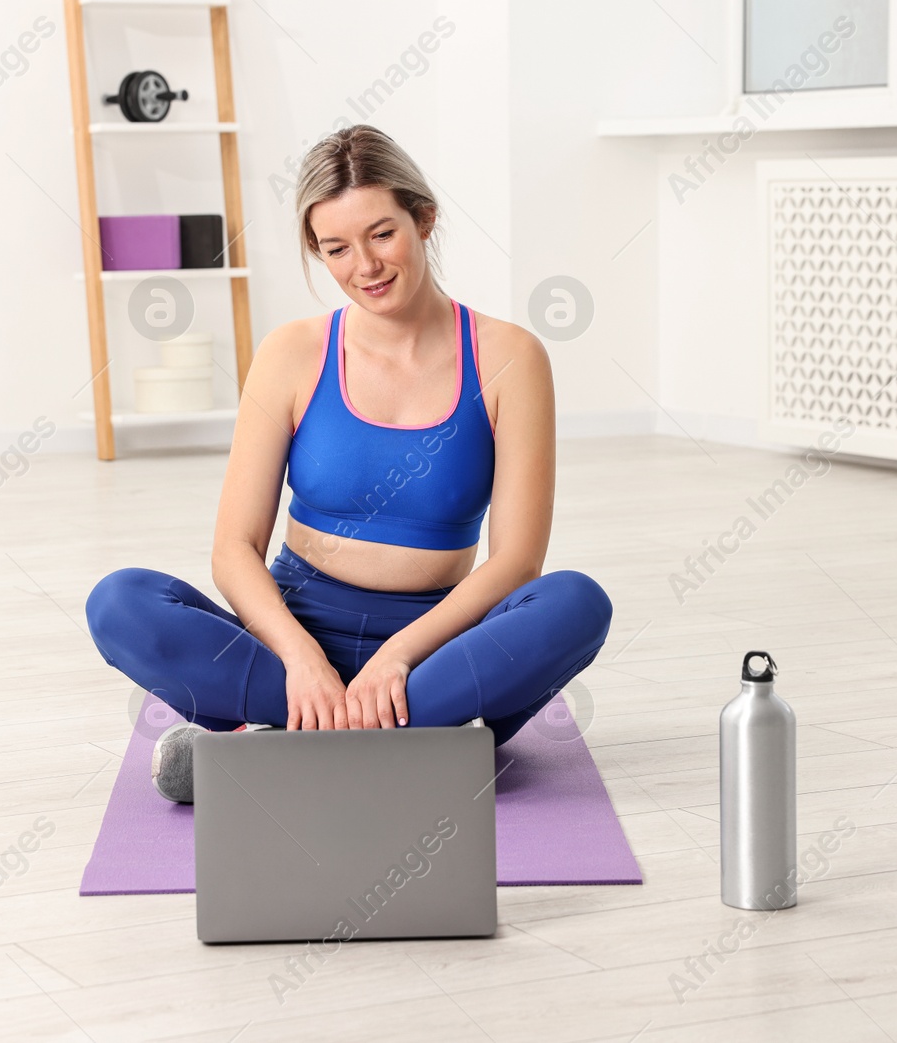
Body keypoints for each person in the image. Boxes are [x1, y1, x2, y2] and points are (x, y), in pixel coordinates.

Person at [85, 124, 612, 802]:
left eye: (382, 234)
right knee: (121, 602)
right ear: (318, 252)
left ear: (424, 218)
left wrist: (398, 656)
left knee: (576, 603)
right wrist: (302, 659)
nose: (365, 265)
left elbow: (515, 563)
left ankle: (283, 743)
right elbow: (233, 548)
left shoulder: (511, 357)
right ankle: (416, 741)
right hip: (287, 638)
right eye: (336, 248)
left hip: (435, 649)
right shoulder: (290, 353)